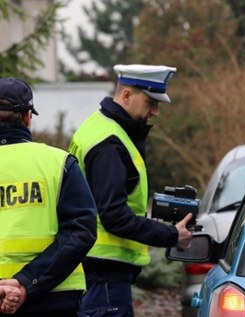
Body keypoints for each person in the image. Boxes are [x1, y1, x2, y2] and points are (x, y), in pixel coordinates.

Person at [68, 64, 193, 317]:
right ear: (126, 96)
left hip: (96, 271)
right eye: (150, 102)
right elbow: (114, 215)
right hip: (104, 274)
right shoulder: (110, 144)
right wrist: (171, 235)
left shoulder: (101, 127)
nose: (155, 112)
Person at [0, 77, 97, 316]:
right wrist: (26, 282)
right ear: (28, 117)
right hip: (53, 299)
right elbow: (81, 231)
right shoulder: (59, 163)